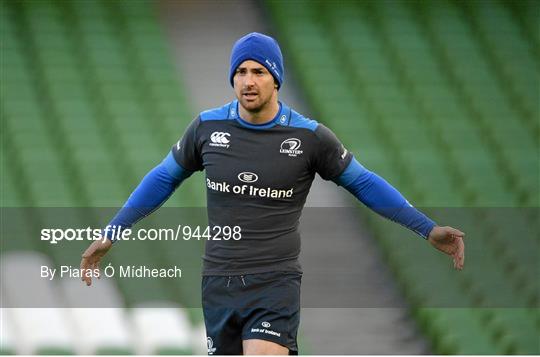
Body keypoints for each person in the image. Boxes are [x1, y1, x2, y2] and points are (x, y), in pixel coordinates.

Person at [80, 32, 465, 355]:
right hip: (219, 280)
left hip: (274, 281)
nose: (248, 81)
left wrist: (426, 228)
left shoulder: (309, 137)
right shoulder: (206, 129)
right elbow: (162, 179)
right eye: (242, 72)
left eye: (258, 72)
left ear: (275, 79)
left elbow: (364, 182)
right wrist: (111, 232)